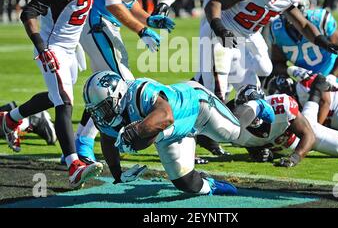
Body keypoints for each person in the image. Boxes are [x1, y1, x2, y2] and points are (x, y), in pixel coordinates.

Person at [0, 0, 117, 189]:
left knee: (56, 96)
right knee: (64, 100)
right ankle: (73, 164)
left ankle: (10, 118)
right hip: (53, 46)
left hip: (71, 46)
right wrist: (43, 48)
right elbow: (28, 12)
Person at [152, 0, 265, 157]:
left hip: (245, 29)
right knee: (216, 87)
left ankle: (244, 136)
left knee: (252, 83)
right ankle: (202, 132)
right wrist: (168, 0)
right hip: (217, 23)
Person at [76, 0, 179, 163]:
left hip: (103, 23)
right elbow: (112, 1)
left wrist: (148, 18)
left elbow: (126, 1)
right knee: (120, 87)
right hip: (97, 21)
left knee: (110, 86)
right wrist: (141, 30)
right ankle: (87, 144)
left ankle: (83, 141)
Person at [203, 0, 338, 103]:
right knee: (218, 89)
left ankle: (240, 86)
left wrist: (322, 41)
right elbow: (213, 3)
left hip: (249, 34)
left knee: (266, 68)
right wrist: (220, 28)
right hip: (226, 30)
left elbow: (303, 24)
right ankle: (216, 81)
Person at [83, 71, 241, 195]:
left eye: (103, 108)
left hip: (197, 108)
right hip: (171, 133)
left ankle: (257, 105)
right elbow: (107, 139)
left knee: (235, 134)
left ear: (118, 95)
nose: (101, 116)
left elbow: (166, 116)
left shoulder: (139, 92)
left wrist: (136, 131)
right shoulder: (106, 119)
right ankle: (213, 185)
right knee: (186, 183)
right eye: (96, 111)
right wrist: (117, 174)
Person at [232, 76, 338, 165]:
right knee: (308, 118)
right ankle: (316, 91)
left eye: (256, 108)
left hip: (305, 136)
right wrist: (257, 152)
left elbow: (309, 136)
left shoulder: (281, 106)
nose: (252, 113)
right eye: (248, 110)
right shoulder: (234, 125)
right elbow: (250, 142)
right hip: (289, 140)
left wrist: (295, 158)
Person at [270, 6, 338, 86]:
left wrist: (333, 76)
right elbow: (277, 63)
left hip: (335, 75)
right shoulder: (277, 29)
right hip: (307, 83)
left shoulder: (318, 19)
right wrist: (291, 70)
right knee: (278, 84)